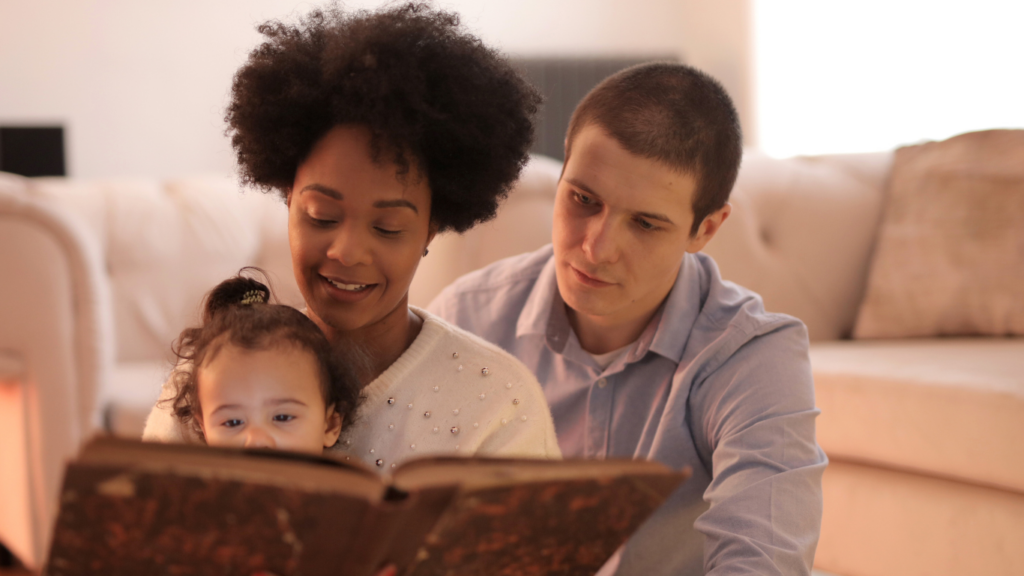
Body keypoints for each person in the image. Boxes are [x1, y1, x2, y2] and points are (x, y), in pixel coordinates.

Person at [429, 63, 828, 575]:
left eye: (644, 223)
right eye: (583, 200)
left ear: (705, 229)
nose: (596, 248)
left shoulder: (752, 354)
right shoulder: (469, 318)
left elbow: (763, 560)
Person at [143, 2, 561, 470]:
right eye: (322, 216)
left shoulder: (498, 400)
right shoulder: (214, 379)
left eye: (387, 228)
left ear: (432, 227)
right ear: (287, 200)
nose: (346, 252)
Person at [165, 274, 361, 455]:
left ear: (329, 425)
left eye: (282, 418)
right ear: (204, 429)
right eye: (233, 422)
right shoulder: (193, 492)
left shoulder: (344, 492)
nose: (257, 441)